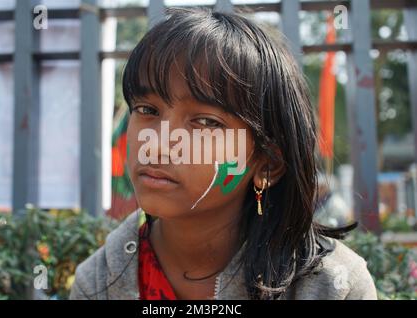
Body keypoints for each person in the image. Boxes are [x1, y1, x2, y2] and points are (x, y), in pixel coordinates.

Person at [70, 8, 377, 300]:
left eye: (205, 122)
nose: (158, 145)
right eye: (147, 110)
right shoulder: (99, 282)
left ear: (268, 164)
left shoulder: (333, 285)